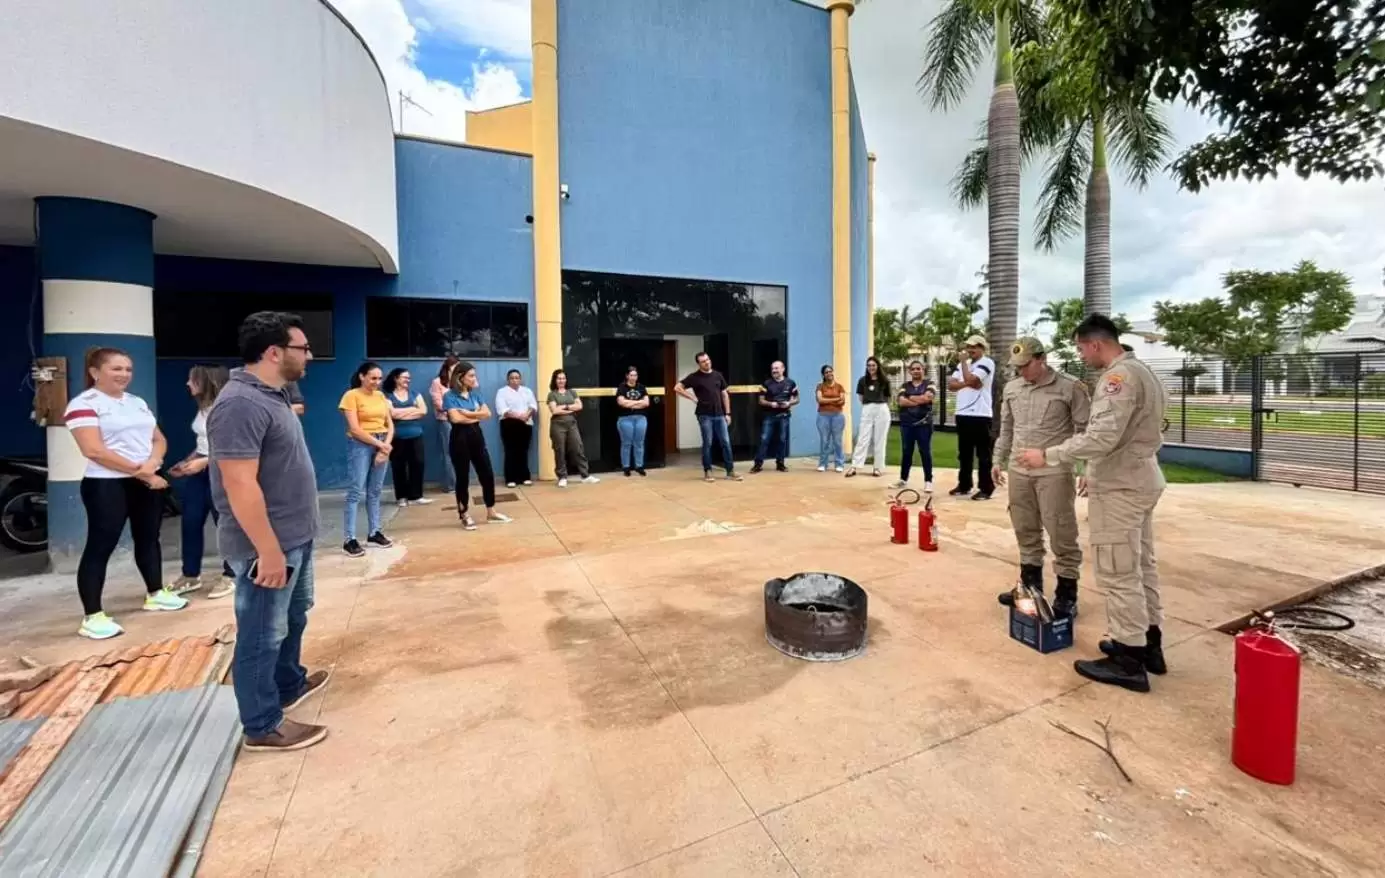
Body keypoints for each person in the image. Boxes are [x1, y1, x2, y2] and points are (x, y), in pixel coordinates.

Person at [1016, 314, 1169, 692]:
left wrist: (1048, 456)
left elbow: (1100, 437)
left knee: (1118, 570)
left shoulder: (1118, 378)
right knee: (1140, 565)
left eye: (1082, 347)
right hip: (1140, 478)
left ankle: (1127, 658)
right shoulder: (1142, 371)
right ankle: (1148, 642)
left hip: (1121, 485)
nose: (1082, 355)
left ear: (1095, 343)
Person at [209, 310, 330, 752]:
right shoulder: (240, 403)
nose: (309, 355)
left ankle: (288, 682)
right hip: (268, 545)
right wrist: (269, 550)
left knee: (294, 615)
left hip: (295, 536)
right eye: (302, 348)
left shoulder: (272, 394)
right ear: (274, 352)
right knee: (261, 633)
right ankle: (262, 724)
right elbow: (239, 484)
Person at [64, 348, 189, 639]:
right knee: (100, 545)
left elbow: (158, 439)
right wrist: (143, 471)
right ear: (95, 372)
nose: (124, 375)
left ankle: (155, 593)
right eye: (116, 369)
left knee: (149, 538)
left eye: (128, 369)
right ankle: (92, 616)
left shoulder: (136, 402)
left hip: (144, 479)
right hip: (106, 484)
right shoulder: (84, 404)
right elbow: (93, 450)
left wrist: (153, 464)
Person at [993, 337, 1090, 618]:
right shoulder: (1013, 388)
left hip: (1054, 471)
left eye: (1025, 365)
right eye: (1017, 367)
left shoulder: (1070, 387)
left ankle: (1067, 594)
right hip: (1019, 471)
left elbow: (1086, 431)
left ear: (1041, 359)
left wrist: (1087, 468)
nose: (1020, 371)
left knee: (1061, 532)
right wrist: (998, 459)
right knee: (1024, 528)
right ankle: (1029, 588)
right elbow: (1007, 428)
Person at [167, 364, 236, 600]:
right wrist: (188, 462)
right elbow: (203, 444)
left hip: (222, 472)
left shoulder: (226, 410)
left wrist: (204, 462)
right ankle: (190, 575)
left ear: (206, 383)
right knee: (191, 521)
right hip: (200, 473)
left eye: (192, 380)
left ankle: (232, 573)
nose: (187, 384)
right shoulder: (203, 410)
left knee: (224, 524)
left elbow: (231, 448)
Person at [444, 361, 514, 529]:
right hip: (459, 438)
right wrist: (477, 415)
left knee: (487, 474)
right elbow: (456, 419)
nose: (475, 378)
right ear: (460, 377)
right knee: (462, 477)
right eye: (471, 376)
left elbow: (488, 413)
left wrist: (469, 413)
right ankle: (464, 514)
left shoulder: (475, 394)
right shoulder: (450, 396)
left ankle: (491, 511)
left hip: (476, 436)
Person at [338, 362, 395, 558]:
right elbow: (355, 428)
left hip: (381, 441)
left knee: (375, 490)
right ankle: (349, 538)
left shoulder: (380, 396)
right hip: (361, 444)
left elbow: (389, 423)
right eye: (373, 378)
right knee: (356, 490)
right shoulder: (351, 396)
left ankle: (374, 532)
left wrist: (385, 445)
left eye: (379, 379)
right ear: (362, 376)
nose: (377, 382)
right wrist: (380, 446)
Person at [674, 352, 743, 482]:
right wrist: (693, 397)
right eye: (703, 361)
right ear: (699, 364)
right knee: (708, 443)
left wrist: (727, 413)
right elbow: (677, 388)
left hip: (720, 414)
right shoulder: (694, 377)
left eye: (707, 360)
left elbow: (724, 394)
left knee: (726, 442)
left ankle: (730, 471)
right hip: (704, 415)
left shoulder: (718, 375)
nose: (707, 362)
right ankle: (708, 471)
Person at [948, 335, 997, 500]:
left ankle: (986, 488)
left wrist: (963, 365)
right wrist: (968, 383)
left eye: (975, 347)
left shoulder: (986, 362)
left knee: (983, 454)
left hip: (980, 414)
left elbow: (971, 378)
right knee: (964, 453)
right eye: (969, 347)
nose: (970, 350)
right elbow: (952, 385)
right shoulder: (966, 365)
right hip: (962, 413)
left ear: (982, 348)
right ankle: (964, 484)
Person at [383, 368, 431, 508]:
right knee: (399, 466)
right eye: (405, 377)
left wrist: (401, 412)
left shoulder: (414, 393)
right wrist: (412, 409)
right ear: (396, 378)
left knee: (418, 463)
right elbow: (391, 414)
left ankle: (416, 496)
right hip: (396, 436)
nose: (408, 380)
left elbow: (423, 411)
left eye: (409, 378)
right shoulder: (387, 395)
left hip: (416, 434)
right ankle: (401, 497)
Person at [546, 370, 600, 487]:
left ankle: (585, 475)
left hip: (572, 424)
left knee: (578, 448)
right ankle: (562, 477)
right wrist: (571, 408)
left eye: (563, 378)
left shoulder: (572, 392)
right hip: (558, 425)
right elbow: (554, 410)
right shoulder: (552, 394)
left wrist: (564, 407)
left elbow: (579, 406)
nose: (561, 381)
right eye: (559, 378)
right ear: (555, 380)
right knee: (559, 450)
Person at [893, 360, 935, 492]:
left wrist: (910, 397)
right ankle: (903, 479)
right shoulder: (904, 385)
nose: (916, 371)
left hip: (923, 424)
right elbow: (901, 401)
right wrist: (919, 400)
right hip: (907, 424)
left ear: (923, 370)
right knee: (906, 452)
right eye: (913, 369)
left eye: (919, 368)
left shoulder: (930, 384)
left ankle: (928, 481)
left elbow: (928, 398)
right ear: (909, 371)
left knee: (925, 452)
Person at [752, 361, 799, 473]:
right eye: (773, 368)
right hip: (769, 415)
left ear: (783, 369)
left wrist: (789, 403)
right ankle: (758, 464)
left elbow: (797, 399)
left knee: (782, 439)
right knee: (764, 439)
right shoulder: (766, 384)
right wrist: (771, 404)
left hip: (784, 415)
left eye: (777, 368)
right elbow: (760, 400)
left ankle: (780, 463)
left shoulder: (791, 383)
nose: (774, 371)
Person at [846, 356, 889, 478]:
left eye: (873, 365)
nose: (871, 367)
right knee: (863, 437)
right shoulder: (862, 380)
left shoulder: (884, 380)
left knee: (880, 439)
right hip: (867, 408)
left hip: (881, 408)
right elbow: (860, 397)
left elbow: (887, 397)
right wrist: (869, 404)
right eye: (869, 365)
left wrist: (878, 404)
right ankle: (854, 466)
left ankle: (877, 468)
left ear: (877, 366)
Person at [495, 369, 539, 487]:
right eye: (512, 378)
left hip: (526, 423)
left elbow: (533, 405)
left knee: (523, 451)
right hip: (509, 423)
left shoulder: (527, 391)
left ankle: (524, 477)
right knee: (510, 451)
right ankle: (510, 479)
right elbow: (502, 409)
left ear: (520, 379)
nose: (515, 380)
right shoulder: (502, 392)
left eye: (517, 378)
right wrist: (519, 416)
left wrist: (526, 415)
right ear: (508, 380)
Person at [429, 356, 460, 495]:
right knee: (448, 452)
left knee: (460, 452)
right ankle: (449, 485)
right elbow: (438, 404)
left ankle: (460, 482)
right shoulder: (437, 383)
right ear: (447, 367)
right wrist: (454, 409)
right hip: (445, 420)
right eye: (455, 367)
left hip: (460, 419)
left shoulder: (458, 382)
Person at [615, 366, 650, 476]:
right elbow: (621, 402)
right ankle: (626, 467)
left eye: (635, 375)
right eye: (631, 375)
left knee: (639, 443)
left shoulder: (642, 387)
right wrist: (638, 403)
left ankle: (639, 466)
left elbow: (646, 403)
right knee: (626, 443)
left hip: (640, 418)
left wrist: (630, 403)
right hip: (625, 419)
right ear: (627, 376)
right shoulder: (622, 387)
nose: (633, 377)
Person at [815, 364, 846, 472]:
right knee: (824, 440)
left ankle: (839, 464)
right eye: (826, 372)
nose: (829, 373)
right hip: (823, 416)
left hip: (837, 416)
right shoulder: (820, 386)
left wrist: (827, 400)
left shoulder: (840, 387)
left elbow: (842, 401)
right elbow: (820, 400)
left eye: (830, 371)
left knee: (837, 441)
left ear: (833, 372)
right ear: (823, 375)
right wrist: (835, 399)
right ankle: (823, 464)